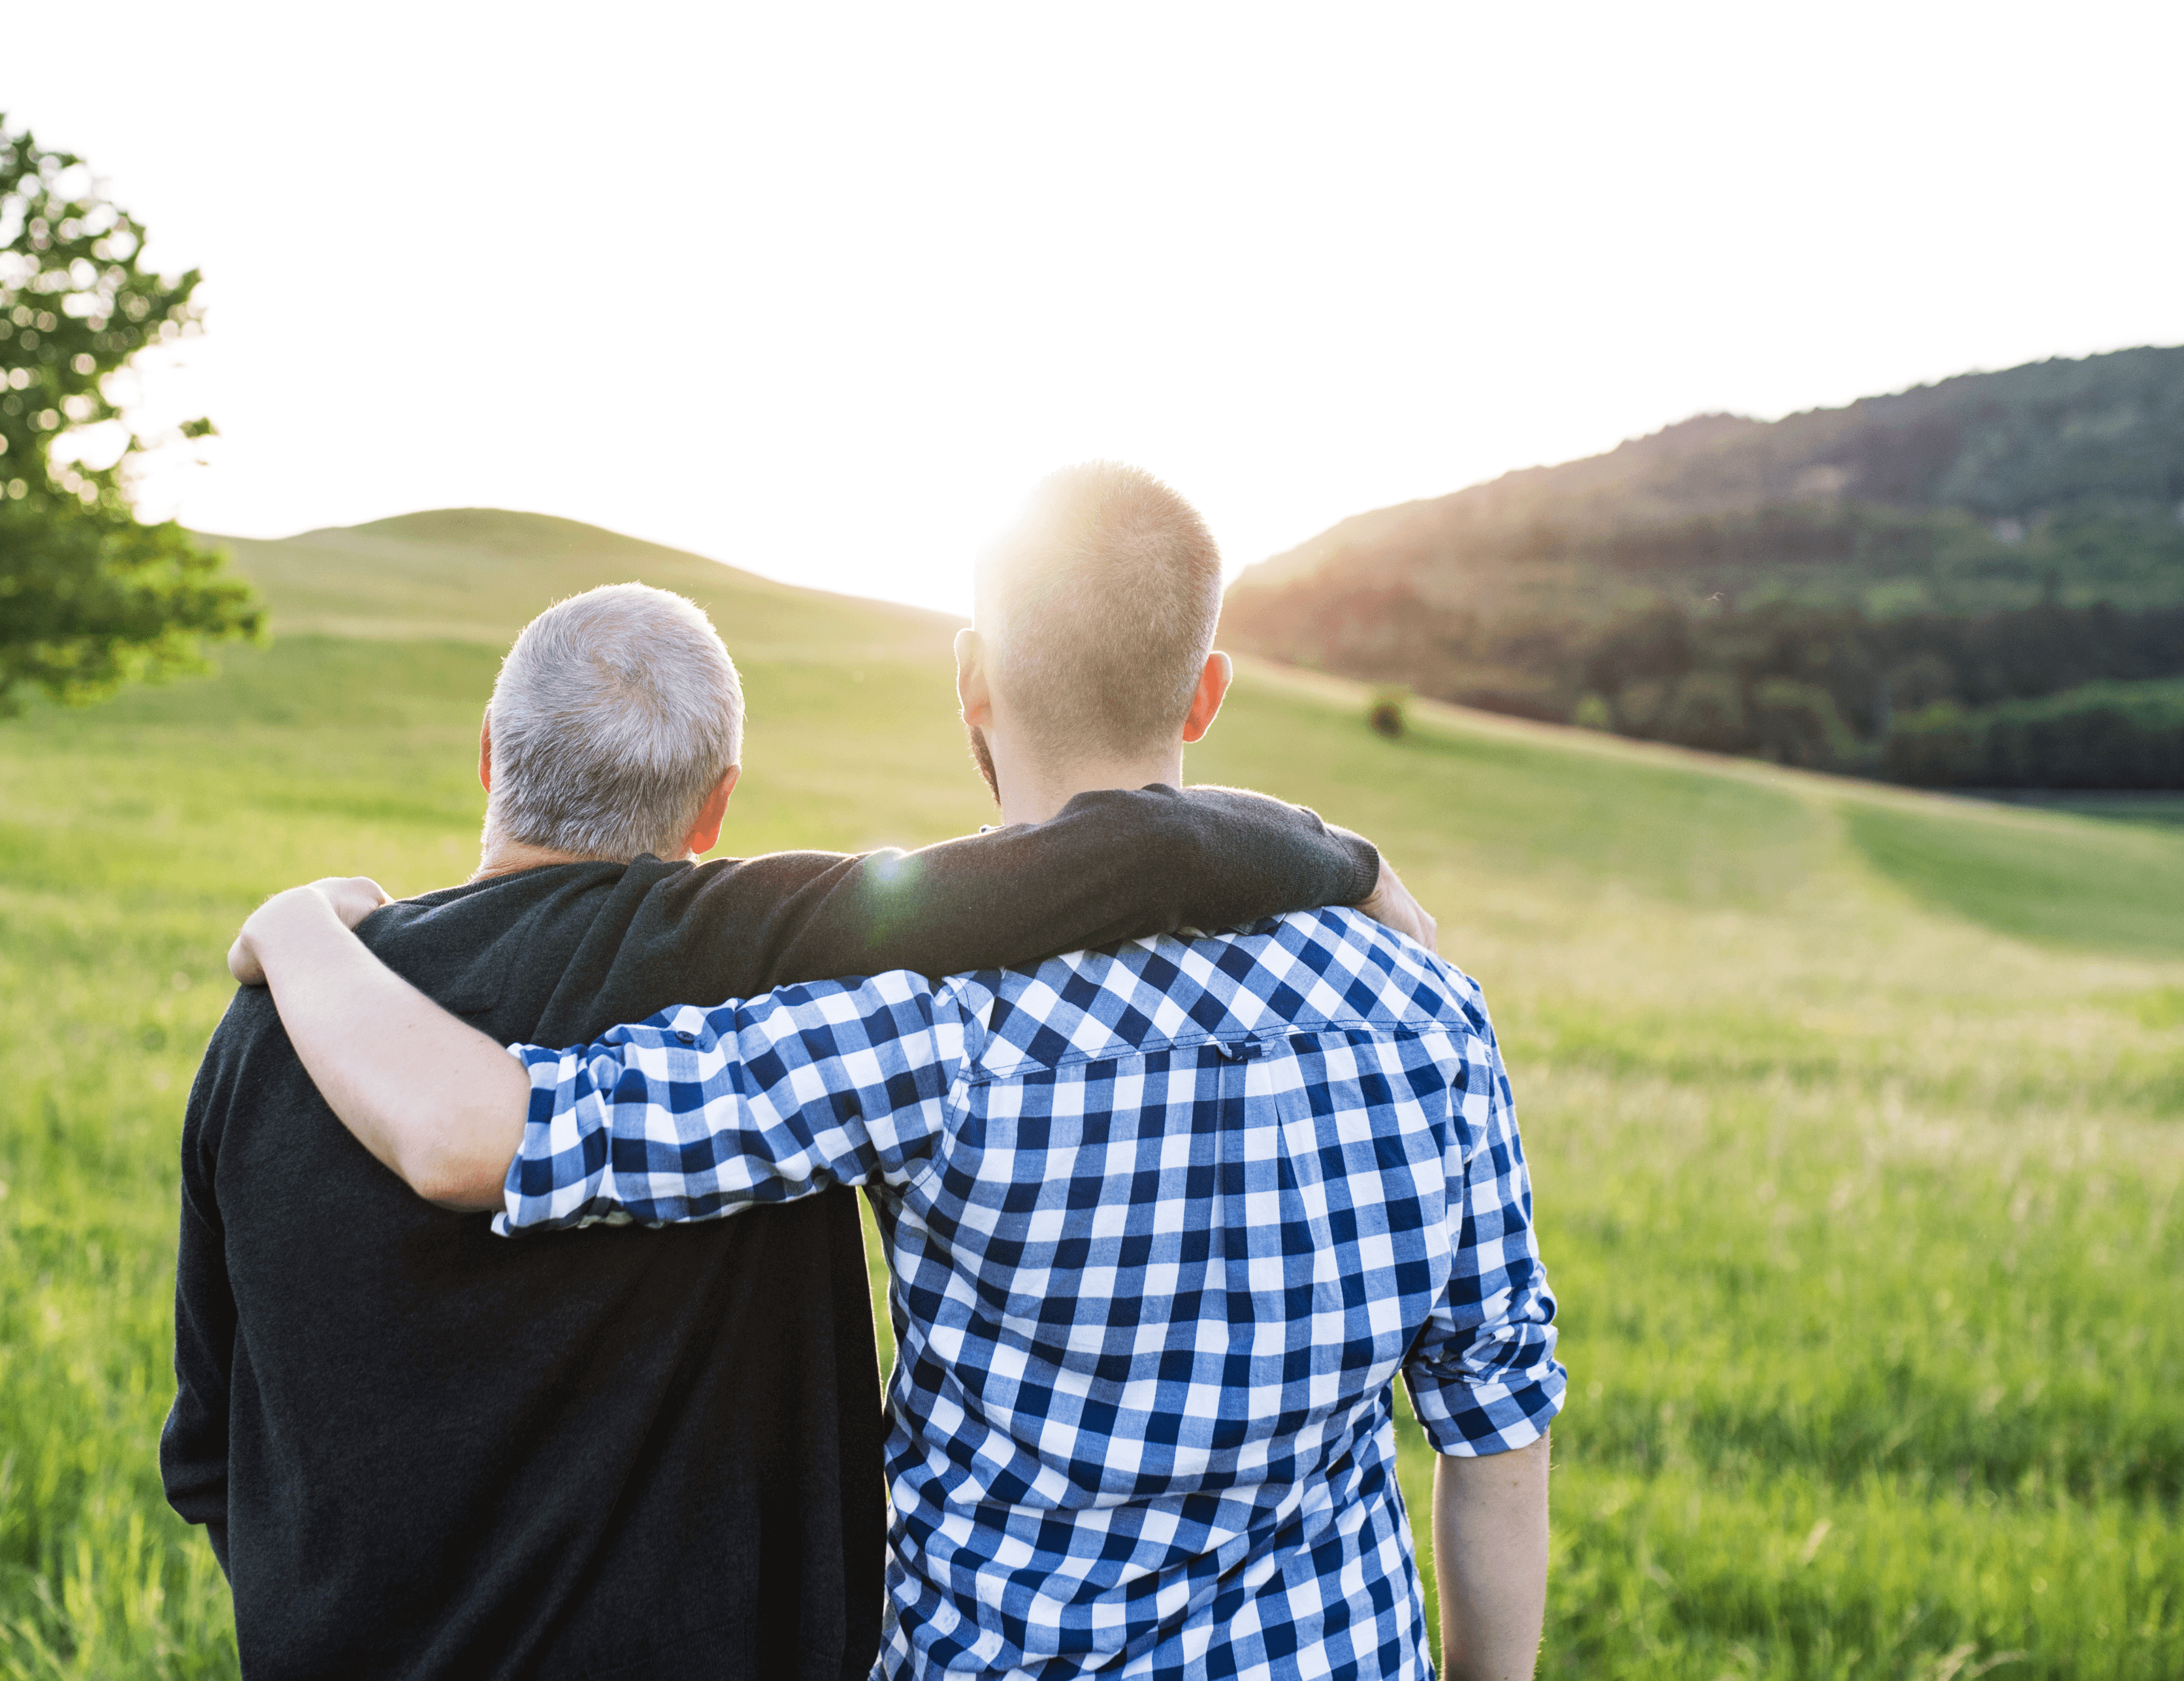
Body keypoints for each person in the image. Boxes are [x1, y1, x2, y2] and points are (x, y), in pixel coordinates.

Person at [237, 464, 1562, 1681]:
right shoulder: (1428, 1015)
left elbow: (481, 1138)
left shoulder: (921, 1028)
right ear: (1204, 693)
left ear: (972, 681)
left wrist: (298, 929)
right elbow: (1494, 1429)